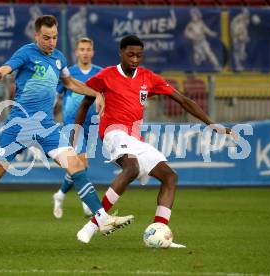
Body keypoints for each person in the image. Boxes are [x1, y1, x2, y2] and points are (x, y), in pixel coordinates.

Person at [0, 15, 133, 238]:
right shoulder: (26, 52)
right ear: (36, 36)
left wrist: (96, 93)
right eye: (46, 38)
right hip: (19, 126)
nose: (51, 42)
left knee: (76, 166)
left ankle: (102, 218)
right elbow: (7, 68)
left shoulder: (59, 58)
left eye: (54, 37)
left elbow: (69, 82)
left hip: (46, 127)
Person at [74, 35, 235, 243]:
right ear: (121, 53)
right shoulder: (106, 76)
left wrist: (212, 124)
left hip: (134, 138)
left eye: (139, 55)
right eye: (130, 54)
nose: (134, 59)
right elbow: (85, 103)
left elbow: (183, 100)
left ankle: (159, 232)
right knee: (131, 168)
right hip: (113, 133)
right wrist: (76, 136)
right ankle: (93, 225)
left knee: (170, 177)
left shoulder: (148, 78)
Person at [52, 37, 102, 219]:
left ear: (93, 52)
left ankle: (60, 194)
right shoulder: (69, 73)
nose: (85, 52)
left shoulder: (100, 73)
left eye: (88, 49)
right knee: (83, 163)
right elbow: (56, 95)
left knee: (78, 165)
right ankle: (86, 203)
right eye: (82, 49)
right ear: (76, 52)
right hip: (73, 124)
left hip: (93, 125)